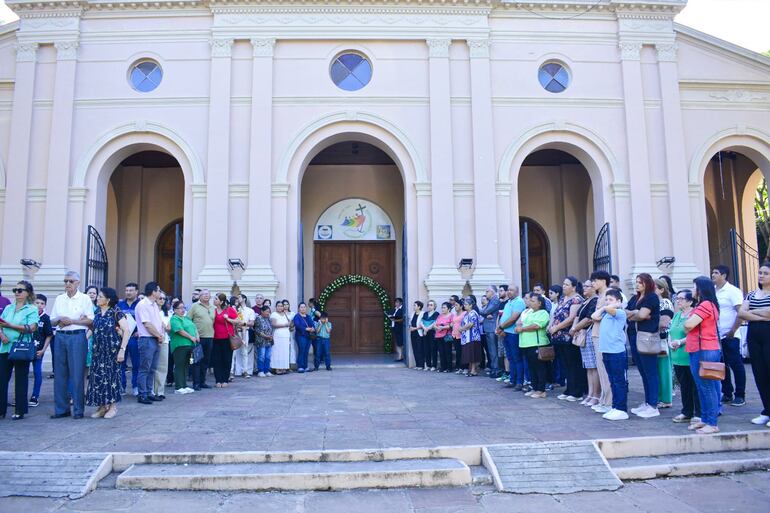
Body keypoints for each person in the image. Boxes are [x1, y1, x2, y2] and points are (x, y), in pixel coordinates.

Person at [50, 271, 94, 419]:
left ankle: (78, 409)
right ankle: (61, 409)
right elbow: (52, 320)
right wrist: (60, 319)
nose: (67, 284)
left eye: (70, 281)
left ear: (77, 283)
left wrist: (73, 321)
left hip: (77, 337)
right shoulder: (59, 298)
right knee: (60, 374)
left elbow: (90, 320)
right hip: (61, 336)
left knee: (77, 374)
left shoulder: (85, 299)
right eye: (65, 281)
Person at [684, 276, 722, 434]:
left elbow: (688, 324)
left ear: (700, 289)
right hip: (702, 348)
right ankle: (705, 419)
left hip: (703, 349)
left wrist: (688, 322)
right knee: (703, 387)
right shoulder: (708, 304)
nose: (693, 290)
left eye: (694, 287)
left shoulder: (705, 305)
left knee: (706, 387)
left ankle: (711, 423)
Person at [87, 287, 131, 419]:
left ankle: (112, 406)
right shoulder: (96, 312)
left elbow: (126, 331)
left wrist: (122, 350)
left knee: (111, 378)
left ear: (108, 299)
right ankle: (101, 407)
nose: (98, 298)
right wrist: (85, 338)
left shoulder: (116, 312)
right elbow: (92, 328)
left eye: (100, 296)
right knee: (97, 378)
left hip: (112, 351)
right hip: (97, 351)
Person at [0, 280, 39, 420]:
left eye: (20, 290)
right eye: (15, 290)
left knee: (21, 378)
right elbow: (0, 323)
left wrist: (10, 326)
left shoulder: (32, 309)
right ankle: (1, 409)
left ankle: (20, 410)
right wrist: (2, 335)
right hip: (5, 346)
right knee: (2, 379)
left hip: (21, 347)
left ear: (28, 293)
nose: (17, 292)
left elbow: (32, 328)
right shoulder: (9, 308)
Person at [739, 262, 770, 428]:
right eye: (760, 273)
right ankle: (766, 411)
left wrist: (752, 313)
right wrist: (762, 314)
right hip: (754, 335)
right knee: (760, 373)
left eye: (765, 273)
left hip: (768, 334)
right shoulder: (751, 295)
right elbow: (741, 313)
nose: (761, 275)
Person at [627, 273, 662, 419]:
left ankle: (653, 405)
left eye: (640, 282)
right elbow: (628, 312)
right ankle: (648, 402)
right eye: (636, 282)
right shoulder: (635, 298)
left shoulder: (651, 297)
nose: (637, 285)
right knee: (642, 371)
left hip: (647, 336)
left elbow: (642, 316)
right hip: (634, 335)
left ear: (647, 283)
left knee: (650, 372)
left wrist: (637, 314)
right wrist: (637, 313)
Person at [711, 265, 746, 407]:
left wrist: (733, 330)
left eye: (716, 273)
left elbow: (740, 312)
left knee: (735, 364)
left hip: (730, 334)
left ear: (724, 275)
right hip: (716, 335)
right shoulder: (713, 291)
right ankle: (727, 393)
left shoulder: (733, 291)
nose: (713, 275)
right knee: (721, 365)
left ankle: (740, 394)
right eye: (712, 272)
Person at [592, 289, 629, 420]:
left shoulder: (619, 313)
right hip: (606, 351)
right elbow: (594, 316)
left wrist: (611, 306)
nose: (608, 302)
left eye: (611, 299)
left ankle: (621, 408)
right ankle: (615, 406)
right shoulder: (606, 313)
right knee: (612, 380)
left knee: (619, 381)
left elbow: (610, 309)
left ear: (619, 301)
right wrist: (605, 307)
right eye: (606, 299)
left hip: (616, 351)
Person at [548, 277, 586, 402]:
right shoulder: (563, 299)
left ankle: (577, 391)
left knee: (573, 364)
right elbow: (556, 314)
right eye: (563, 284)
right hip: (559, 336)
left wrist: (556, 327)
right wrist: (551, 326)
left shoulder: (576, 299)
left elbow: (571, 318)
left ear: (574, 287)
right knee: (565, 364)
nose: (563, 286)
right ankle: (569, 389)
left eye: (567, 284)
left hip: (569, 336)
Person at [669, 289, 701, 426]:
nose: (678, 301)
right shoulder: (677, 315)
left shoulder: (694, 314)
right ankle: (687, 411)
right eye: (678, 298)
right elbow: (671, 330)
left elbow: (694, 333)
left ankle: (698, 413)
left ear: (690, 301)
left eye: (682, 299)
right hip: (677, 355)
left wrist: (680, 342)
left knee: (695, 385)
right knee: (684, 386)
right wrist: (670, 342)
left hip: (689, 354)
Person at [134, 282, 164, 404]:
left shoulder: (154, 305)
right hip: (147, 339)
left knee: (152, 368)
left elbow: (157, 322)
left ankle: (149, 392)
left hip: (155, 339)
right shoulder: (143, 305)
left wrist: (159, 336)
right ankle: (142, 394)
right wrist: (159, 335)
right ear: (153, 291)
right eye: (158, 290)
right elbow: (147, 324)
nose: (160, 292)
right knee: (144, 368)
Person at [515, 294, 550, 398]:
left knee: (540, 367)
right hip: (526, 344)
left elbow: (536, 325)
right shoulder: (528, 312)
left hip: (537, 344)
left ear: (540, 303)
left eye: (533, 301)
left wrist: (522, 328)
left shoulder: (543, 313)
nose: (530, 302)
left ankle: (541, 390)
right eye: (529, 300)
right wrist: (520, 327)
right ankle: (534, 388)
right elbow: (520, 323)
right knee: (531, 367)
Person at [571, 280, 599, 406]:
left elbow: (589, 319)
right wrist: (574, 327)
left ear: (594, 288)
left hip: (589, 334)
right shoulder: (585, 301)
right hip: (581, 334)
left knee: (593, 366)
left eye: (587, 286)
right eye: (584, 286)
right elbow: (577, 316)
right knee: (588, 366)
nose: (584, 288)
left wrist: (575, 328)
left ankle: (596, 395)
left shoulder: (594, 300)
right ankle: (590, 393)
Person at [589, 271, 613, 413]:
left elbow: (602, 315)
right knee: (600, 368)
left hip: (604, 334)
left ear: (603, 280)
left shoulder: (610, 294)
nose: (593, 283)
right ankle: (604, 399)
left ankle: (609, 401)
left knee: (605, 369)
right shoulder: (600, 296)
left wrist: (596, 316)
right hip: (597, 333)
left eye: (595, 280)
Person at [498, 286, 526, 389]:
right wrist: (501, 329)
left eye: (512, 290)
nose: (509, 292)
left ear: (517, 292)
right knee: (510, 358)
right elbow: (504, 317)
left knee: (517, 358)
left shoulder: (518, 302)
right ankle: (512, 380)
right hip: (506, 333)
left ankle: (519, 382)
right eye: (508, 290)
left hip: (514, 334)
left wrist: (501, 327)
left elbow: (513, 318)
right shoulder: (508, 302)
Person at [117, 283, 141, 395]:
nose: (128, 292)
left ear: (136, 292)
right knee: (120, 363)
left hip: (134, 338)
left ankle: (136, 386)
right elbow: (115, 319)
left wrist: (140, 331)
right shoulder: (119, 305)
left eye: (131, 290)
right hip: (122, 338)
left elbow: (143, 320)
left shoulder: (140, 305)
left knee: (136, 363)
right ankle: (122, 386)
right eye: (127, 290)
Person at [188, 289, 214, 390]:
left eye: (208, 294)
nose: (206, 296)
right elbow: (188, 321)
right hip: (198, 338)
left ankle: (203, 382)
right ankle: (196, 383)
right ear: (199, 296)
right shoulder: (194, 306)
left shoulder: (212, 308)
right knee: (196, 361)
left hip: (210, 337)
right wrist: (194, 334)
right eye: (204, 294)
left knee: (206, 361)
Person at [169, 299, 198, 394]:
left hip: (190, 345)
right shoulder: (174, 319)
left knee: (186, 366)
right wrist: (191, 337)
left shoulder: (187, 318)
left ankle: (184, 385)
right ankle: (178, 386)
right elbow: (179, 330)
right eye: (180, 308)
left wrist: (197, 336)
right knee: (179, 365)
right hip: (180, 345)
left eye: (183, 308)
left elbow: (194, 327)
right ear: (175, 310)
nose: (182, 310)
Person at [30, 293, 53, 407]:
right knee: (22, 373)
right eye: (37, 303)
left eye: (42, 303)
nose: (39, 305)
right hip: (26, 349)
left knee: (37, 372)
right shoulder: (28, 315)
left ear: (45, 305)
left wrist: (44, 349)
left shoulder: (46, 318)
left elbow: (49, 335)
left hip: (39, 350)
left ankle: (35, 396)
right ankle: (19, 396)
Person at [655, 278, 675, 409]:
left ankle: (666, 398)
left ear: (662, 289)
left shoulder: (665, 302)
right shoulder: (656, 302)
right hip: (655, 339)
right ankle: (659, 396)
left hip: (663, 340)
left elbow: (664, 322)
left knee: (664, 370)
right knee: (657, 370)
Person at [211, 293, 238, 387]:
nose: (214, 300)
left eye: (216, 299)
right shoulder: (212, 310)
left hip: (227, 338)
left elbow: (237, 321)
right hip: (215, 338)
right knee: (217, 360)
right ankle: (218, 380)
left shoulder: (229, 309)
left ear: (221, 301)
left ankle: (225, 379)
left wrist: (228, 319)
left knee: (227, 359)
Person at [478, 286, 501, 378]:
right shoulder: (491, 301)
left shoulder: (495, 300)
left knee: (493, 350)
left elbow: (486, 311)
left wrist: (476, 308)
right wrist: (484, 314)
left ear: (492, 292)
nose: (486, 292)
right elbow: (485, 313)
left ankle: (496, 369)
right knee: (491, 350)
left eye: (487, 291)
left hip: (492, 328)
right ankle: (494, 368)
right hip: (489, 328)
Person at [232, 294, 256, 378]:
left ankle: (245, 370)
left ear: (244, 299)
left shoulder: (250, 310)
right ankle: (231, 371)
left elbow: (252, 323)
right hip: (235, 332)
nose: (238, 299)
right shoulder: (234, 309)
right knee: (234, 352)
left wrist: (243, 323)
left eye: (239, 297)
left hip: (245, 331)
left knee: (244, 351)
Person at [458, 297, 483, 376]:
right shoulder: (466, 314)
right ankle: (471, 370)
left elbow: (471, 324)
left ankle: (473, 370)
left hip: (473, 337)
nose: (464, 306)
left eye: (466, 304)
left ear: (471, 305)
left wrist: (461, 329)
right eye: (464, 304)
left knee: (473, 354)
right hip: (467, 337)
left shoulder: (473, 313)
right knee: (469, 354)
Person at [153, 292, 171, 400]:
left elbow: (169, 328)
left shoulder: (167, 313)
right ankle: (152, 390)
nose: (162, 300)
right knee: (152, 367)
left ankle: (160, 391)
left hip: (164, 341)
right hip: (153, 340)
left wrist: (163, 325)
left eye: (164, 298)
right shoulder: (152, 311)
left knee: (163, 367)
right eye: (160, 298)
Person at [270, 301, 292, 374]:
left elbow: (290, 324)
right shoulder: (274, 314)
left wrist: (290, 325)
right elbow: (274, 324)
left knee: (284, 352)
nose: (280, 307)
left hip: (286, 335)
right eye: (278, 306)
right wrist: (285, 325)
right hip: (278, 335)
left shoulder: (285, 314)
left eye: (281, 306)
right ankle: (277, 368)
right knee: (277, 351)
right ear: (276, 307)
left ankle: (283, 367)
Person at [293, 302, 315, 373]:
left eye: (304, 307)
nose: (303, 308)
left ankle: (305, 366)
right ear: (299, 308)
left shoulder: (308, 316)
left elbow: (312, 324)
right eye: (301, 307)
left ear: (306, 308)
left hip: (308, 336)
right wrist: (306, 329)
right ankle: (300, 367)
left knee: (306, 351)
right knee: (301, 350)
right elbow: (297, 325)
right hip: (301, 336)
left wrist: (313, 328)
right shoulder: (297, 316)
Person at [254, 305, 274, 377]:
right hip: (261, 341)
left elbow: (270, 328)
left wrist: (271, 336)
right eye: (267, 311)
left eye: (269, 312)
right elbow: (257, 331)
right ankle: (261, 371)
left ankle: (267, 370)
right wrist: (267, 336)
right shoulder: (258, 318)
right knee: (261, 356)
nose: (268, 313)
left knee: (268, 356)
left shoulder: (268, 318)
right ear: (262, 311)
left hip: (269, 341)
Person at [434, 302, 453, 373]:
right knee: (441, 352)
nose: (442, 309)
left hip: (446, 336)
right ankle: (443, 367)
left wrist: (443, 327)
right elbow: (435, 324)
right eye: (442, 307)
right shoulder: (440, 316)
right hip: (439, 336)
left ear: (448, 309)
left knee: (447, 352)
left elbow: (451, 325)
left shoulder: (451, 315)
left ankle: (449, 367)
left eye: (444, 307)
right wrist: (436, 327)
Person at [421, 300, 439, 371]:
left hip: (432, 333)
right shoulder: (425, 313)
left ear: (434, 306)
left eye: (431, 305)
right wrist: (425, 329)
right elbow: (421, 322)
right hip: (425, 332)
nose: (429, 306)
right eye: (428, 305)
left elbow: (435, 322)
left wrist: (427, 329)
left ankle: (434, 365)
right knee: (426, 349)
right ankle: (428, 365)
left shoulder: (436, 313)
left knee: (433, 349)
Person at [408, 301, 426, 369]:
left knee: (420, 349)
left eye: (415, 305)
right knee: (414, 348)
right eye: (413, 305)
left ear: (419, 307)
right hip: (413, 333)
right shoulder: (412, 314)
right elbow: (410, 322)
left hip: (419, 333)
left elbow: (423, 324)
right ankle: (417, 364)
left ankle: (421, 365)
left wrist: (415, 328)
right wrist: (410, 327)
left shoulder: (423, 313)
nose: (413, 307)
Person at [451, 300, 466, 374]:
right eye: (455, 305)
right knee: (458, 352)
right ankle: (459, 367)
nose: (455, 306)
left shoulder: (464, 313)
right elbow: (453, 323)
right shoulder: (454, 314)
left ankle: (465, 367)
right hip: (455, 335)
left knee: (463, 352)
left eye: (457, 305)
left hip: (462, 335)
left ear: (461, 306)